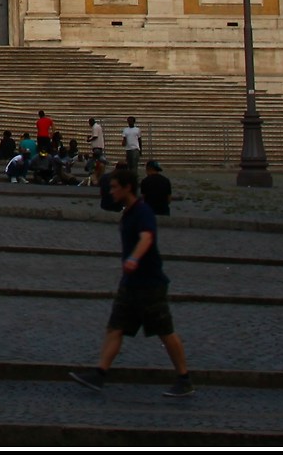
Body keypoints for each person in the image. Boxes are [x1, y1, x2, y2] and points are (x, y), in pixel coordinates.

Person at [69, 165, 193, 398]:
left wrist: (134, 258)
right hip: (131, 283)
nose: (111, 191)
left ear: (127, 188)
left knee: (165, 332)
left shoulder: (142, 211)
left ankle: (184, 378)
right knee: (116, 327)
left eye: (115, 187)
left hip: (149, 283)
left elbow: (147, 237)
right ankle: (99, 373)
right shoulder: (128, 211)